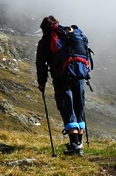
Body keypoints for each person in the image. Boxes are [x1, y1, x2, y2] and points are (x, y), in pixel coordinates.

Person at [36, 15, 88, 157]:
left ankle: (75, 146)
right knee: (79, 106)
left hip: (61, 77)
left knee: (67, 107)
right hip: (79, 74)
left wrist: (42, 83)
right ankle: (79, 144)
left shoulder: (46, 40)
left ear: (44, 28)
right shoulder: (71, 33)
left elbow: (41, 65)